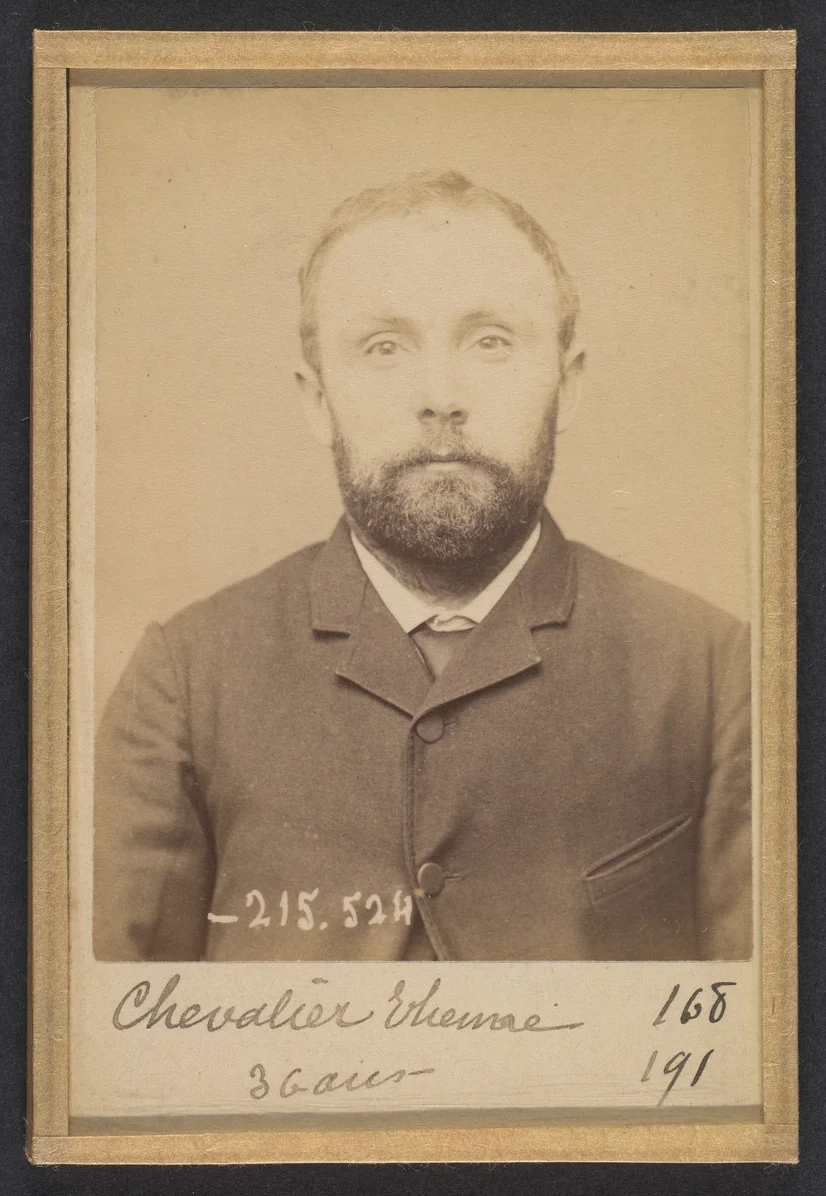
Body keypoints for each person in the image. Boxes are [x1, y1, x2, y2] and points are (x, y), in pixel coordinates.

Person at [93, 170, 752, 963]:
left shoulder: (716, 672)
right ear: (315, 399)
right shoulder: (185, 677)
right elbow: (110, 1049)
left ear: (566, 386)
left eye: (490, 342)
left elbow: (764, 1044)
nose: (441, 395)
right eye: (384, 347)